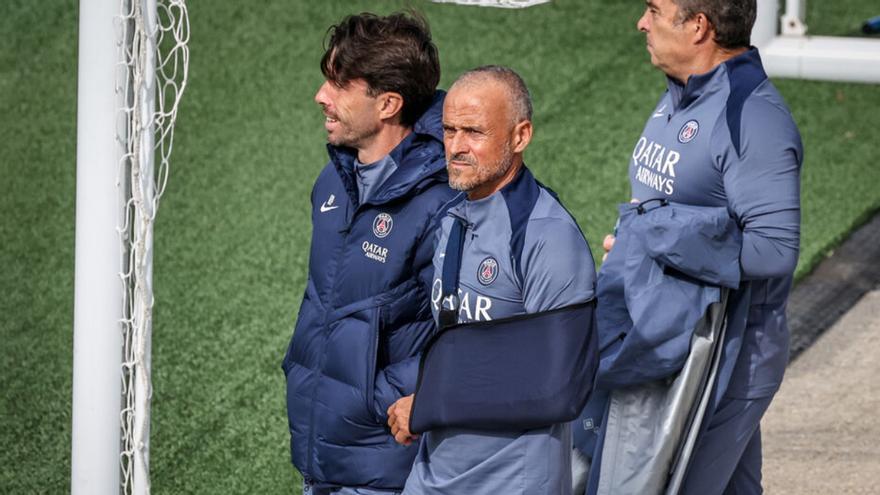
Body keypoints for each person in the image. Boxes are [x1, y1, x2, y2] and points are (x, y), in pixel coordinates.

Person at [585, 1, 803, 493]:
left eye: (654, 10)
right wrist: (637, 245)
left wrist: (655, 239)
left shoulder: (752, 116)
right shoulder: (682, 97)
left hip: (728, 351)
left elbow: (774, 249)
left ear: (699, 27)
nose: (642, 22)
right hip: (673, 337)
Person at [386, 66, 598, 495]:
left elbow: (559, 388)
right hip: (435, 472)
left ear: (520, 136)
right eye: (449, 130)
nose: (456, 147)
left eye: (474, 132)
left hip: (510, 482)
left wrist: (429, 405)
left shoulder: (547, 237)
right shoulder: (453, 219)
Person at [280, 12, 458, 495]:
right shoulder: (333, 180)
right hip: (323, 448)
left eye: (339, 85)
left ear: (388, 104)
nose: (321, 95)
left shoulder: (443, 205)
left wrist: (371, 399)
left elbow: (467, 331)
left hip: (383, 464)